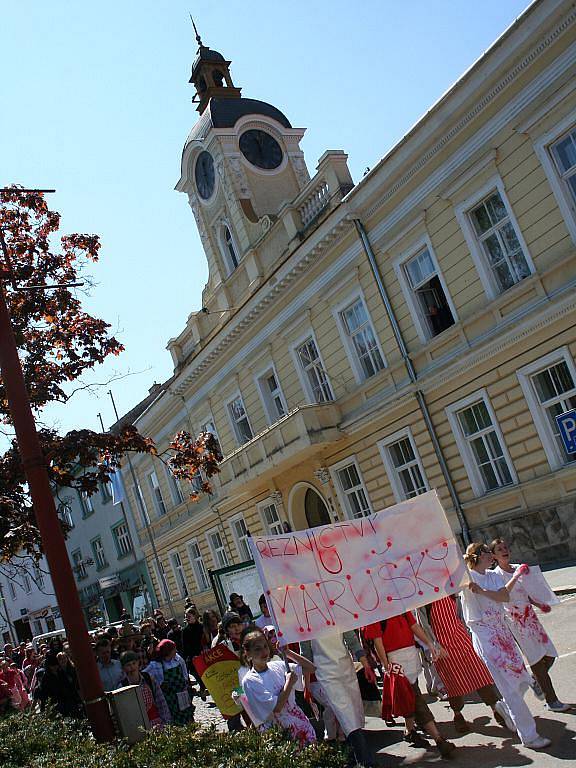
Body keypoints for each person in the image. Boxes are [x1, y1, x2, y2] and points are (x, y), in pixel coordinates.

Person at [461, 542, 551, 750]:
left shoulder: (491, 576)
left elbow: (503, 596)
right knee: (510, 686)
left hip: (503, 632)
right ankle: (529, 736)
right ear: (476, 556)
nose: (489, 554)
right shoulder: (467, 579)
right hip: (485, 635)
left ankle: (505, 707)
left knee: (518, 678)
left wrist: (482, 591)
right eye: (485, 551)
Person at [490, 538, 568, 712]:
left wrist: (539, 604)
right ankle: (552, 700)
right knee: (536, 659)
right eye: (499, 549)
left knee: (550, 653)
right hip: (515, 621)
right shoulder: (495, 575)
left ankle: (534, 681)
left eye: (505, 547)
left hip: (530, 618)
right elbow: (503, 594)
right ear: (494, 556)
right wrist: (516, 576)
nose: (504, 550)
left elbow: (527, 591)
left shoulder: (518, 568)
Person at [364, 614, 456, 759]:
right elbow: (377, 640)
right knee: (415, 698)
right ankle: (438, 739)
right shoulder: (375, 611)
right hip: (396, 661)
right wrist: (386, 663)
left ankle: (409, 731)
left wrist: (429, 643)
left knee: (410, 697)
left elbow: (414, 626)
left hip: (410, 657)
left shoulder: (400, 605)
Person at [420, 596, 510, 732]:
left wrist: (469, 635)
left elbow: (460, 615)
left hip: (462, 639)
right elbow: (424, 625)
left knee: (480, 675)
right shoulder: (423, 600)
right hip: (443, 647)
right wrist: (435, 645)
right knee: (453, 683)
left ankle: (496, 708)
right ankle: (458, 715)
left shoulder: (450, 592)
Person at [307, 631, 379, 767]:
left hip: (346, 670)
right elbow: (307, 656)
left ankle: (353, 756)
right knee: (347, 716)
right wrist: (306, 686)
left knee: (352, 716)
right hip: (327, 675)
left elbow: (352, 640)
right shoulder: (303, 623)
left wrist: (366, 666)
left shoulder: (336, 612)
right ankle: (365, 761)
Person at [241, 627, 316, 747]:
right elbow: (276, 707)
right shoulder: (250, 681)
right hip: (281, 734)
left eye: (265, 646)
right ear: (248, 654)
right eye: (257, 649)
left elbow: (310, 668)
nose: (264, 652)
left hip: (301, 725)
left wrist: (288, 653)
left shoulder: (278, 665)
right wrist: (289, 683)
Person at [145, 638, 194, 725]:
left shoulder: (178, 659)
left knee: (187, 717)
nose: (176, 651)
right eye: (173, 649)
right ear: (167, 651)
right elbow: (145, 674)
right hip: (169, 699)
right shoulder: (156, 665)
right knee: (174, 719)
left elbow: (185, 673)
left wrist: (186, 684)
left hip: (182, 694)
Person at [120, 650, 171, 727]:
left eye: (134, 663)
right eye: (128, 665)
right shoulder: (122, 686)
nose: (132, 667)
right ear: (124, 668)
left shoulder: (148, 679)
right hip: (138, 727)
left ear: (138, 663)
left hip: (156, 723)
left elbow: (161, 700)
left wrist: (166, 721)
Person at [182, 607, 208, 700]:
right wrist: (190, 656)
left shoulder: (201, 627)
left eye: (189, 616)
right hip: (193, 657)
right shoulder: (185, 631)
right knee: (196, 674)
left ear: (195, 616)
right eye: (186, 616)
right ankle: (202, 687)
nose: (187, 618)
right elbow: (185, 646)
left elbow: (206, 640)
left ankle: (205, 688)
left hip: (203, 654)